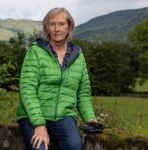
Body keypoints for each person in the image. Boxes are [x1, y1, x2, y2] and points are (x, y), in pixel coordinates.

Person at [17, 7, 98, 150]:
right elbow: (27, 89)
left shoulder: (78, 56)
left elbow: (83, 93)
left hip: (63, 116)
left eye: (61, 24)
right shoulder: (35, 52)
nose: (56, 29)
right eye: (52, 24)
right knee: (39, 147)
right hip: (32, 115)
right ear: (47, 27)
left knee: (74, 146)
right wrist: (39, 124)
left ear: (69, 27)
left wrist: (90, 119)